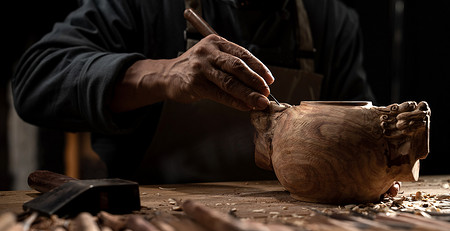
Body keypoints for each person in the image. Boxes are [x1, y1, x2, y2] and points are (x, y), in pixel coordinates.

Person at [13, 0, 384, 189]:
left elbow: (360, 137)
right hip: (155, 230)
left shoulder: (331, 20)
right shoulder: (143, 6)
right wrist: (162, 73)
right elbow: (35, 80)